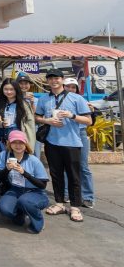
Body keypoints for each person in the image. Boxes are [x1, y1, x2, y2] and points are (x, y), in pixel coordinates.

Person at [36, 69, 91, 222]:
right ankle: (59, 203)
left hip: (72, 143)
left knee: (74, 176)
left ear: (62, 79)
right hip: (51, 143)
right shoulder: (43, 99)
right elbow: (37, 117)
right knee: (56, 174)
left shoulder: (76, 98)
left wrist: (71, 115)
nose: (54, 81)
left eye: (57, 78)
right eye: (50, 79)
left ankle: (75, 207)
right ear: (47, 81)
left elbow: (88, 120)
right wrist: (47, 120)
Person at [0, 130, 50, 233]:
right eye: (14, 142)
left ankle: (38, 222)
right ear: (9, 144)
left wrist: (25, 173)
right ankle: (20, 214)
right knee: (4, 209)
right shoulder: (4, 155)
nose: (18, 145)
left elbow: (42, 185)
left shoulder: (33, 160)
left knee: (25, 201)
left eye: (21, 142)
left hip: (35, 192)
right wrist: (7, 169)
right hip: (15, 189)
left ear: (25, 144)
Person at [63, 77, 95, 208]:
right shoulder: (59, 100)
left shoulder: (82, 100)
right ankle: (66, 193)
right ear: (63, 87)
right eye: (68, 86)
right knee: (66, 165)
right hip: (66, 134)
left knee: (83, 166)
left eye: (73, 87)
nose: (71, 89)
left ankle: (87, 196)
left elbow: (90, 122)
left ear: (77, 89)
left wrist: (92, 112)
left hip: (80, 133)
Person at [0, 79, 34, 152]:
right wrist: (0, 123)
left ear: (16, 89)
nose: (9, 92)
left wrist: (29, 142)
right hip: (1, 136)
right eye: (6, 89)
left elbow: (30, 123)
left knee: (15, 156)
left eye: (11, 89)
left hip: (17, 136)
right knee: (2, 156)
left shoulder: (23, 104)